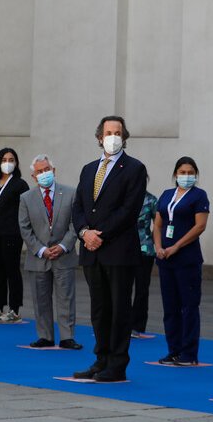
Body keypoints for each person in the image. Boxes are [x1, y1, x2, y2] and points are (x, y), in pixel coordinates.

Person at [72, 115, 147, 382]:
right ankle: (100, 359)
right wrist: (84, 233)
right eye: (108, 132)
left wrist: (99, 234)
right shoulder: (89, 169)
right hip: (92, 251)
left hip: (118, 250)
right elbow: (78, 206)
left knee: (119, 310)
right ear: (99, 137)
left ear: (124, 136)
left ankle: (117, 364)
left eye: (117, 132)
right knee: (99, 309)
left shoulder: (134, 169)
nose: (112, 137)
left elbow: (129, 210)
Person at [18, 154, 82, 350]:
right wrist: (41, 249)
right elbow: (24, 227)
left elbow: (75, 223)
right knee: (40, 298)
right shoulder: (26, 198)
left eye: (47, 170)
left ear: (53, 171)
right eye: (39, 171)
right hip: (38, 257)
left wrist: (63, 246)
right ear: (33, 176)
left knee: (66, 298)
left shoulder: (71, 193)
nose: (44, 174)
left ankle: (67, 337)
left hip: (64, 255)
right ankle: (45, 336)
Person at [153, 157, 209, 366]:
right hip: (165, 259)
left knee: (189, 305)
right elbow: (158, 224)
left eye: (190, 172)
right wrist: (158, 247)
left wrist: (177, 246)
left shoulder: (199, 195)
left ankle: (189, 353)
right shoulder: (167, 195)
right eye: (182, 172)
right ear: (175, 174)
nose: (186, 176)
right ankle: (173, 350)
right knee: (170, 307)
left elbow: (199, 226)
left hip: (187, 259)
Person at [0, 148, 30, 323]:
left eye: (11, 159)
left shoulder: (20, 184)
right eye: (4, 159)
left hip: (12, 234)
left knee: (12, 270)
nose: (8, 162)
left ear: (16, 163)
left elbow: (25, 210)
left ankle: (14, 309)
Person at [130, 184, 158, 339]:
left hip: (145, 250)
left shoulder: (152, 200)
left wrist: (154, 241)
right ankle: (121, 324)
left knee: (142, 289)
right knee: (121, 289)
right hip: (124, 250)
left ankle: (138, 326)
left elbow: (159, 224)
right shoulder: (124, 197)